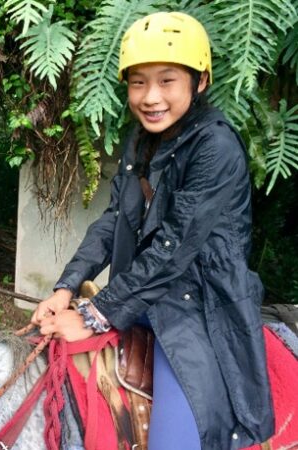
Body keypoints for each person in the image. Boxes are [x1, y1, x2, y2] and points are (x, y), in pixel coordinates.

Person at [30, 11, 274, 450]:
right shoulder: (141, 140)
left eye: (166, 81)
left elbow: (173, 247)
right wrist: (66, 287)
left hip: (198, 307)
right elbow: (113, 222)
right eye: (138, 82)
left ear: (199, 83)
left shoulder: (215, 147)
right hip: (138, 295)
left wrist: (92, 314)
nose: (150, 97)